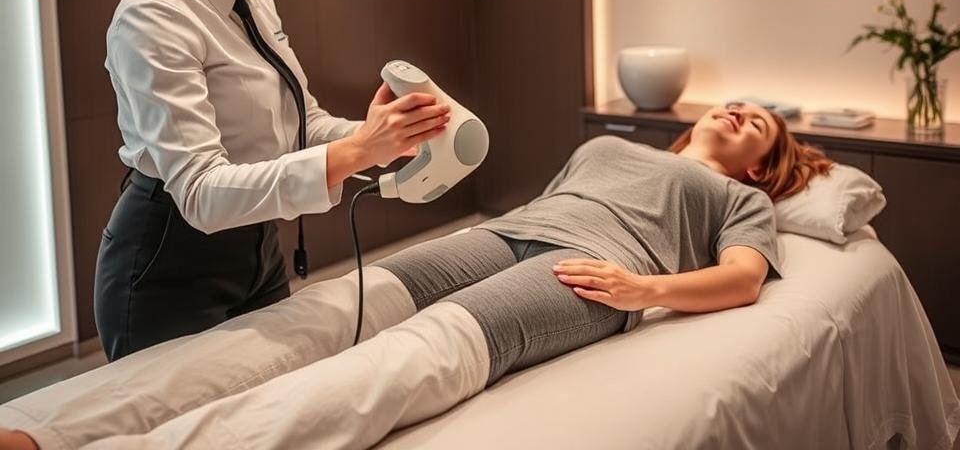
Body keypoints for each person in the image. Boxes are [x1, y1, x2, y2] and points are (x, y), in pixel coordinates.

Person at [0, 102, 834, 450]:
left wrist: (641, 290)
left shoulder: (734, 197)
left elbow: (742, 278)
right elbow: (550, 200)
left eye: (756, 123)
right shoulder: (611, 143)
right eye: (732, 104)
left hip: (586, 270)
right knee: (323, 317)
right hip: (506, 233)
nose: (736, 113)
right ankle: (50, 427)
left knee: (408, 358)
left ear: (762, 165)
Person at [92, 0, 452, 363]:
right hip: (168, 265)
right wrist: (356, 153)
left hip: (256, 249)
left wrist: (380, 136)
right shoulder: (154, 15)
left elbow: (298, 124)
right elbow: (203, 195)